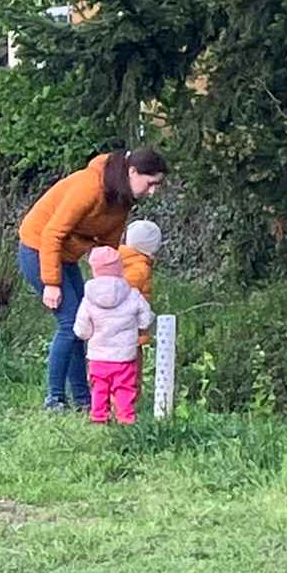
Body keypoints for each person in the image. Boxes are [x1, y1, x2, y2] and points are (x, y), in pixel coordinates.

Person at [17, 147, 167, 410]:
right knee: (69, 324)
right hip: (38, 248)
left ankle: (83, 400)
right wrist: (51, 283)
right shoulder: (90, 187)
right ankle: (54, 398)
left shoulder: (121, 200)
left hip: (67, 255)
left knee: (81, 324)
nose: (152, 191)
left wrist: (111, 287)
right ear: (133, 172)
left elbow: (108, 248)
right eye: (150, 183)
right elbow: (52, 233)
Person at [73, 246, 154, 424]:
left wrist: (88, 335)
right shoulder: (132, 294)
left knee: (99, 387)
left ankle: (99, 416)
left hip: (98, 355)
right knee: (125, 387)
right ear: (120, 268)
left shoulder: (89, 298)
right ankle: (126, 417)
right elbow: (146, 319)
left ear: (94, 270)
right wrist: (139, 326)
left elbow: (81, 329)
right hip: (125, 355)